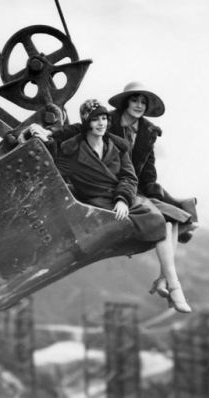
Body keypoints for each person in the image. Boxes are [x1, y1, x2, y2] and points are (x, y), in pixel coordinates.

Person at [27, 99, 191, 313]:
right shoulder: (71, 150)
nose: (101, 124)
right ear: (87, 123)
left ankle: (166, 281)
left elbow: (129, 177)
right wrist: (38, 133)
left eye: (104, 118)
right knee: (160, 221)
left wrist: (122, 198)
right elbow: (53, 162)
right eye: (95, 120)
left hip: (122, 197)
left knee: (168, 220)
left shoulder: (118, 145)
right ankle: (173, 286)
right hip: (99, 200)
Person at [107, 81, 198, 301]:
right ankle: (169, 283)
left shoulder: (148, 132)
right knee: (163, 218)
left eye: (143, 102)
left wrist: (153, 192)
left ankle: (163, 279)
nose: (139, 105)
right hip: (110, 184)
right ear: (125, 101)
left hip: (135, 187)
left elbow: (148, 171)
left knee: (173, 218)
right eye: (135, 100)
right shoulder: (107, 121)